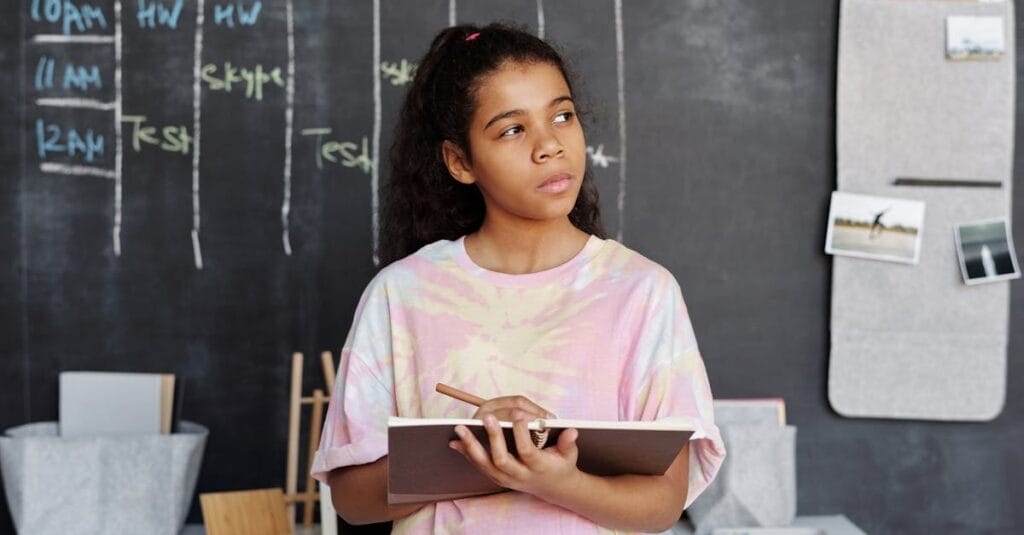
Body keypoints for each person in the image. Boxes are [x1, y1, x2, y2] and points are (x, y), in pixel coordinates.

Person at [311, 22, 725, 534]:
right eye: (512, 129)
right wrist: (480, 455)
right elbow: (352, 499)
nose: (549, 145)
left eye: (562, 115)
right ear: (460, 161)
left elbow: (664, 503)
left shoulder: (643, 292)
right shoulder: (402, 294)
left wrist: (556, 480)